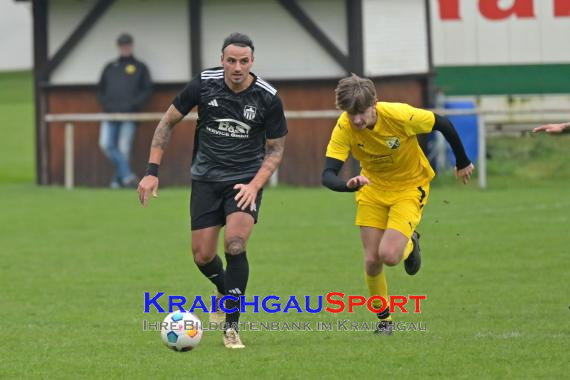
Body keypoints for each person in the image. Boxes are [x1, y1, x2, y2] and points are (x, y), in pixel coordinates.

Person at [137, 33, 287, 348]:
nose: (237, 67)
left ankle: (231, 328)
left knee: (234, 244)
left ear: (252, 62)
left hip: (244, 182)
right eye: (231, 60)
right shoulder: (203, 84)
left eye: (243, 61)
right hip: (205, 179)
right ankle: (223, 289)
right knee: (203, 256)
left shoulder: (267, 97)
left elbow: (275, 151)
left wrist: (255, 185)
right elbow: (166, 124)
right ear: (221, 60)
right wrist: (152, 172)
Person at [322, 74, 474, 334]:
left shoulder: (400, 115)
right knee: (371, 260)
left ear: (375, 104)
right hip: (372, 190)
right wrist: (348, 184)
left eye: (361, 112)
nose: (356, 120)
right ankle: (384, 321)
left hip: (408, 187)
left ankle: (410, 241)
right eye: (350, 114)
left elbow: (443, 123)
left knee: (389, 256)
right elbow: (328, 175)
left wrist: (462, 161)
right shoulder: (344, 126)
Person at [97, 33, 152, 188]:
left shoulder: (140, 67)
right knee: (106, 145)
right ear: (118, 47)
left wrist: (134, 105)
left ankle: (117, 181)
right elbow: (100, 89)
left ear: (131, 46)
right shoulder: (110, 67)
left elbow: (147, 90)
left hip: (130, 114)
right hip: (110, 114)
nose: (125, 48)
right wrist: (106, 104)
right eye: (122, 45)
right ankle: (127, 176)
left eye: (127, 45)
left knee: (123, 148)